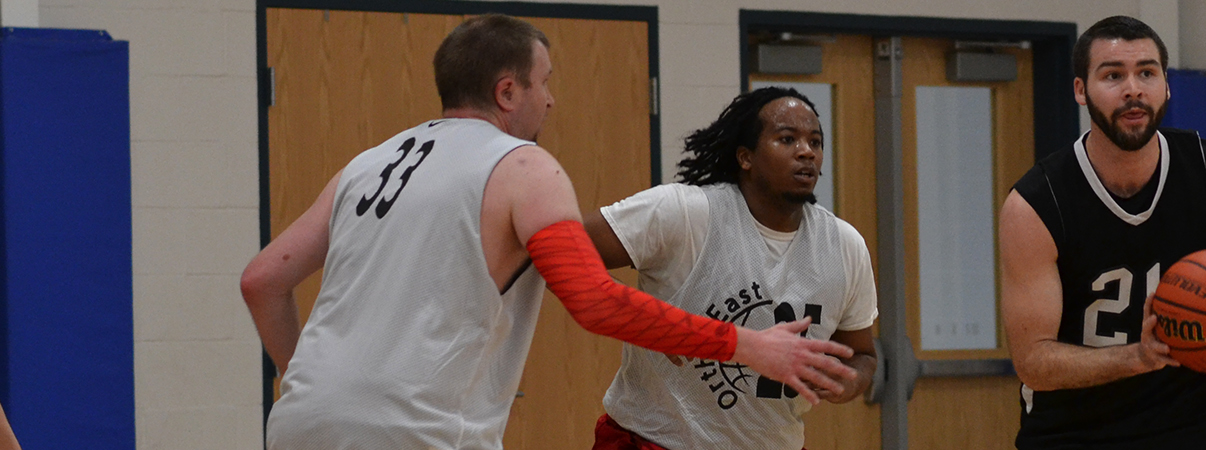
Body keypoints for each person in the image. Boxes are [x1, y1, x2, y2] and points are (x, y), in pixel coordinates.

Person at [238, 15, 854, 450]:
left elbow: (262, 280)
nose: (553, 100)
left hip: (301, 421)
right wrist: (749, 346)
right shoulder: (523, 165)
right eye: (546, 80)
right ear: (509, 91)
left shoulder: (370, 162)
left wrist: (316, 386)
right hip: (415, 430)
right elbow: (591, 299)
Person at [998, 15, 1206, 450]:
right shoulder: (1036, 203)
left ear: (1166, 86)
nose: (1133, 88)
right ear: (1080, 90)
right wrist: (1137, 357)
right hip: (1070, 434)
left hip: (1189, 429)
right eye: (1113, 75)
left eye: (1147, 72)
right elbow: (1033, 361)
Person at [581, 87, 878, 450]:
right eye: (787, 139)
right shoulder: (686, 213)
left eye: (815, 142)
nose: (806, 151)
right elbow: (564, 248)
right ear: (745, 157)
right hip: (653, 440)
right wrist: (643, 322)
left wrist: (849, 382)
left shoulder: (845, 245)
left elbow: (863, 354)